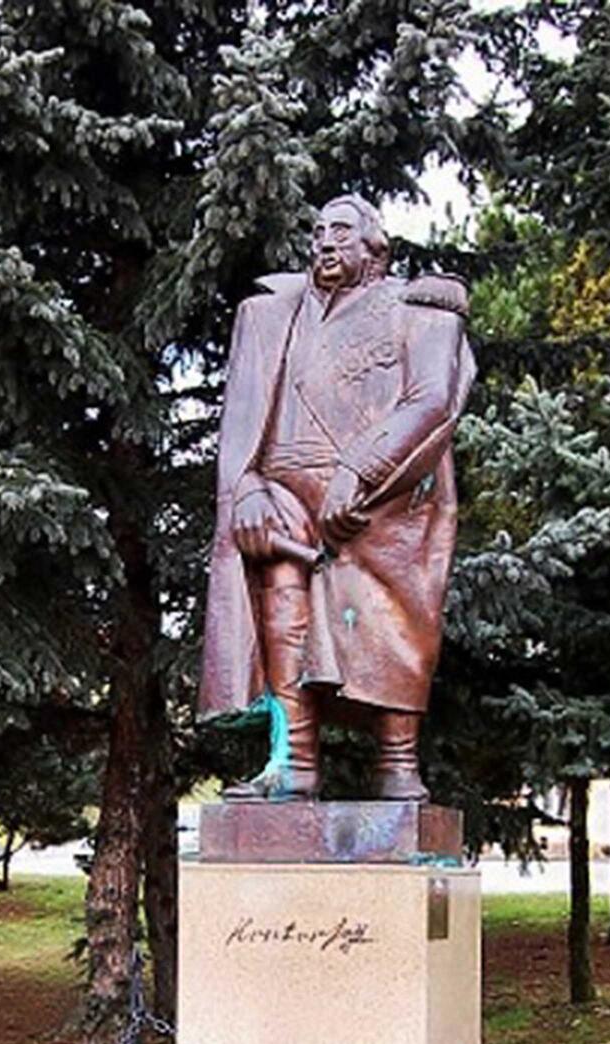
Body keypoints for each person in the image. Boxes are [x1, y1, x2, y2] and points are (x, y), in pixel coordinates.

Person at [196, 195, 475, 801]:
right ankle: (293, 760)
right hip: (281, 484)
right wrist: (245, 485)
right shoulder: (277, 314)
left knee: (394, 617)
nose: (324, 242)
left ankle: (398, 762)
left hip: (385, 493)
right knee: (279, 593)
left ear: (375, 247)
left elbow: (433, 401)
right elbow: (245, 415)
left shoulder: (418, 308)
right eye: (318, 232)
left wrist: (360, 470)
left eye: (341, 232)